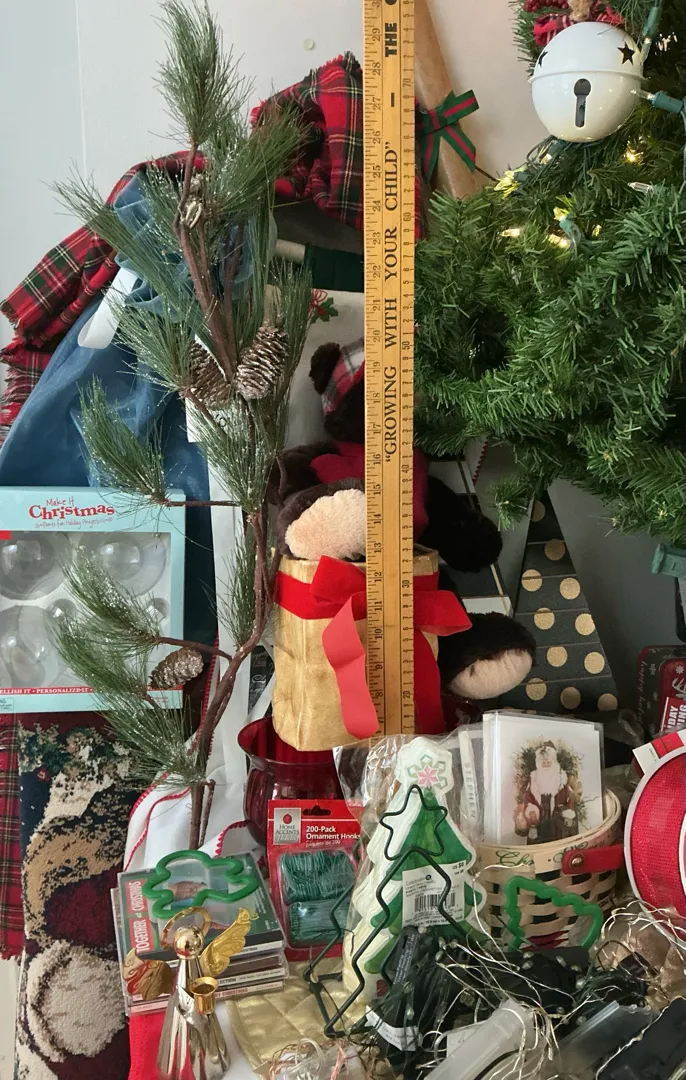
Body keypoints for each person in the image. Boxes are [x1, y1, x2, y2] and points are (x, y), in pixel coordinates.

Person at [514, 742, 577, 844]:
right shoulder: (534, 779)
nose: (545, 764)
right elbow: (528, 797)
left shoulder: (561, 781)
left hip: (557, 822)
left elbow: (570, 798)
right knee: (538, 839)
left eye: (548, 761)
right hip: (539, 821)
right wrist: (531, 810)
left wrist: (567, 811)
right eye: (543, 762)